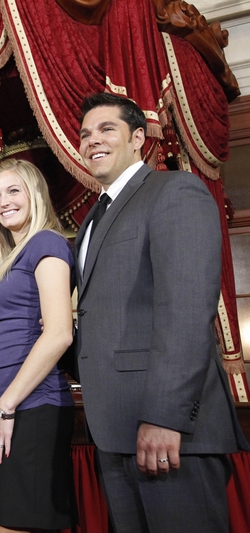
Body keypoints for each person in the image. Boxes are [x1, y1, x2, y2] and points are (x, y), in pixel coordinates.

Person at [74, 92, 249, 533]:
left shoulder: (174, 191)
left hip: (169, 434)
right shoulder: (91, 221)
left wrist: (164, 416)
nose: (92, 140)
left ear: (138, 138)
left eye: (106, 129)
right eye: (85, 134)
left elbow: (188, 310)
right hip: (114, 433)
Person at [0, 159, 76, 532]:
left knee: (16, 526)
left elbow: (59, 332)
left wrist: (8, 404)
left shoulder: (46, 242)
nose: (3, 201)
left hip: (28, 405)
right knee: (12, 524)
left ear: (35, 195)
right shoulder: (5, 260)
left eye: (14, 190)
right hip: (0, 409)